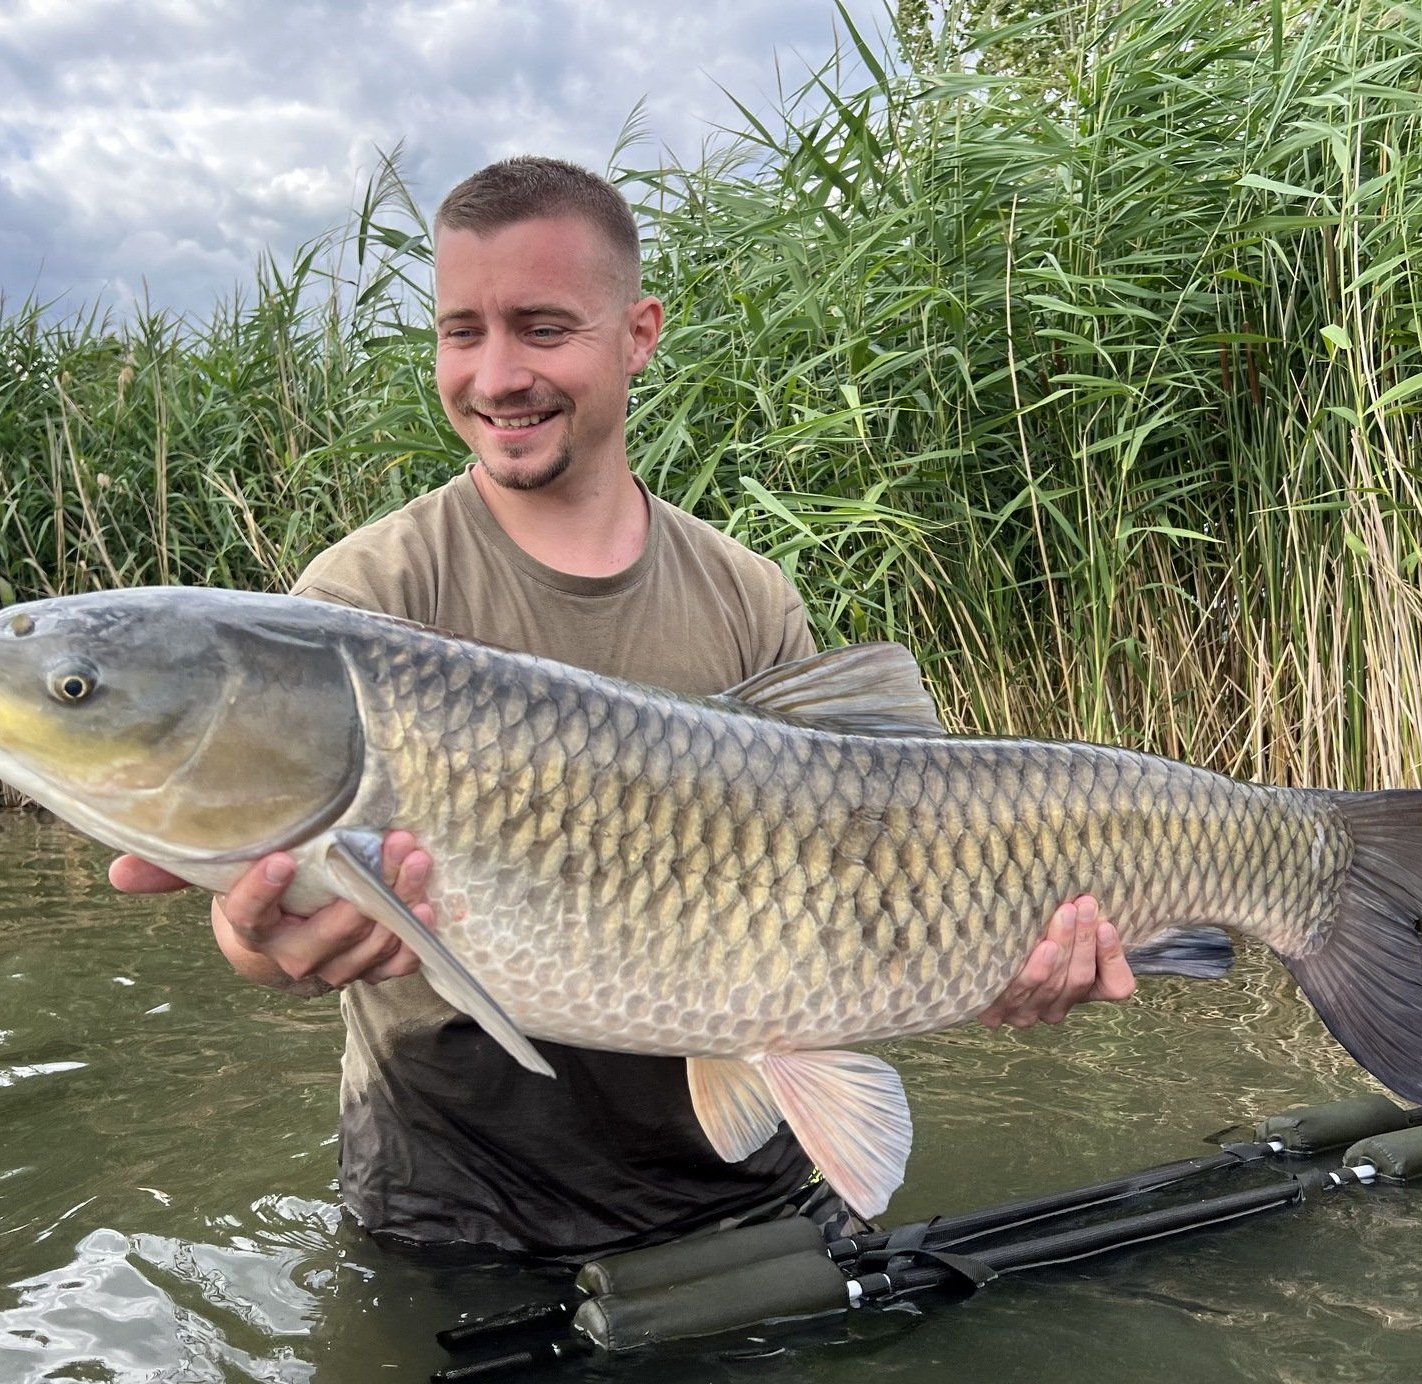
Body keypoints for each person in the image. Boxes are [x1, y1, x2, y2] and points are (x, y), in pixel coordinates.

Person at [111, 156, 1135, 1258]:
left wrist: (996, 955)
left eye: (542, 329)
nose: (497, 374)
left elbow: (866, 882)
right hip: (459, 1192)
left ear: (638, 333)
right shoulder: (367, 603)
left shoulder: (744, 593)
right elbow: (264, 927)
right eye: (463, 332)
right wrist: (259, 939)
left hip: (742, 1186)